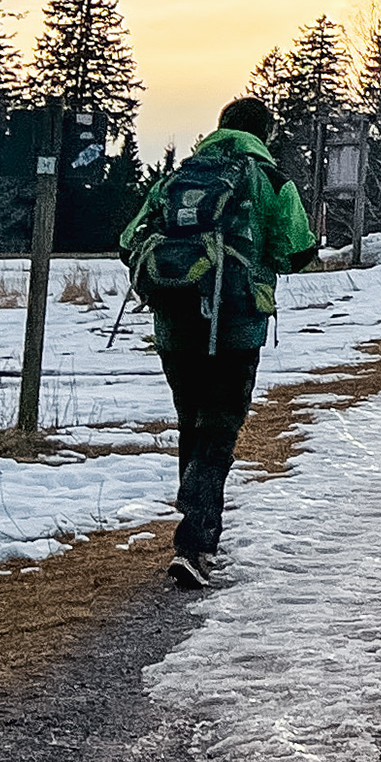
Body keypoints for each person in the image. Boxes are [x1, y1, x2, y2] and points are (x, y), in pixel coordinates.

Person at [118, 97, 320, 587]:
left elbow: (129, 241)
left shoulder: (179, 177)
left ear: (219, 128)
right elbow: (295, 250)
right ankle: (193, 541)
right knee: (220, 429)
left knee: (193, 422)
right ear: (265, 134)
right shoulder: (271, 181)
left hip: (175, 321)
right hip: (236, 323)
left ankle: (201, 535)